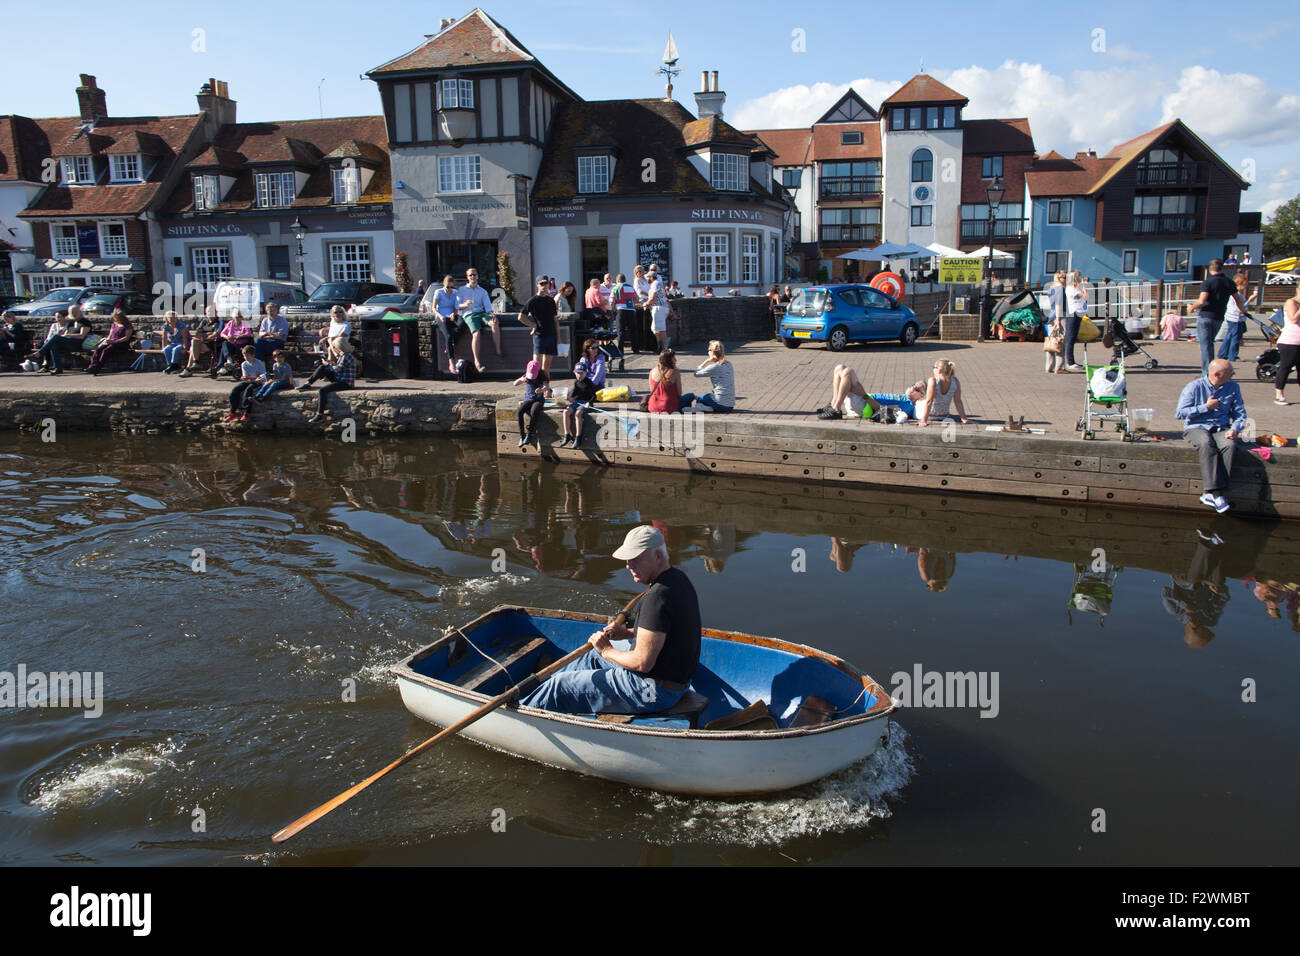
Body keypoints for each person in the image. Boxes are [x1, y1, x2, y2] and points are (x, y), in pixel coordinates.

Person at [521, 525, 701, 716]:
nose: (628, 565)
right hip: (674, 683)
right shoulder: (678, 580)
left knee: (560, 686)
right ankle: (545, 682)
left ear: (657, 556)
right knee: (592, 656)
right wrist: (627, 633)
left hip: (652, 691)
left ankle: (521, 712)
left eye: (635, 559)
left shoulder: (657, 598)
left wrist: (607, 650)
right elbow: (664, 633)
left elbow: (642, 663)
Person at [1175, 358, 1247, 513]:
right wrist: (1205, 407)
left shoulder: (1233, 387)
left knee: (1230, 445)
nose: (1233, 374)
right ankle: (1215, 493)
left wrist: (1235, 428)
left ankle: (1211, 494)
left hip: (1221, 427)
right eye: (1230, 372)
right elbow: (1180, 413)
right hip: (1196, 427)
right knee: (1206, 444)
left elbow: (1240, 414)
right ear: (1217, 374)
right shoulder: (1194, 387)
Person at [1191, 258, 1249, 377]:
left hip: (1205, 316)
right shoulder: (1228, 282)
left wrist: (1192, 307)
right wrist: (1242, 310)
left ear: (1210, 268)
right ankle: (1212, 371)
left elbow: (1202, 301)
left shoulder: (1208, 282)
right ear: (1222, 268)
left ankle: (1207, 374)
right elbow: (1237, 299)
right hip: (1219, 317)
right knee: (1210, 344)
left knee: (1206, 346)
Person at [819, 365, 927, 422]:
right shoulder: (902, 397)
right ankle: (833, 405)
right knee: (840, 368)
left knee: (848, 372)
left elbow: (882, 409)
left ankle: (836, 410)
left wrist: (864, 395)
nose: (913, 388)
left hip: (864, 406)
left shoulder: (907, 406)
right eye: (914, 385)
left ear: (921, 396)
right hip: (862, 400)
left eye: (917, 389)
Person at [298, 335, 356, 423]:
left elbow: (337, 369)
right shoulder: (343, 355)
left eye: (334, 347)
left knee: (322, 390)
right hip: (340, 378)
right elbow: (338, 367)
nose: (334, 349)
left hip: (345, 383)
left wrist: (328, 364)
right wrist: (329, 363)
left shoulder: (346, 356)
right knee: (322, 368)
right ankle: (308, 384)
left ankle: (319, 415)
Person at [456, 267, 501, 372]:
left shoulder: (482, 291)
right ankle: (477, 362)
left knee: (494, 323)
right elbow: (457, 306)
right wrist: (465, 304)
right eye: (470, 275)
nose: (473, 277)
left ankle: (498, 350)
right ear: (467, 277)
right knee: (476, 333)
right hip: (469, 314)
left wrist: (492, 315)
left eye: (474, 275)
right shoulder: (462, 290)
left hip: (481, 313)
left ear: (477, 276)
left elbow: (488, 307)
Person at [680, 340, 735, 413]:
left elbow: (696, 373)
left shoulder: (714, 367)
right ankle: (707, 408)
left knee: (700, 398)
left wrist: (707, 361)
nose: (708, 352)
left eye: (709, 350)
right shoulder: (729, 364)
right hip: (730, 406)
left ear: (712, 352)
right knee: (707, 396)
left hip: (720, 404)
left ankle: (702, 409)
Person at [519, 275, 559, 373]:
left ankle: (546, 386)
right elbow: (521, 316)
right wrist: (533, 325)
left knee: (547, 365)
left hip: (551, 335)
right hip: (539, 335)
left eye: (546, 284)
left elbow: (555, 320)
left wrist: (559, 337)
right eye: (542, 284)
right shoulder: (533, 300)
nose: (544, 286)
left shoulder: (551, 300)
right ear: (537, 285)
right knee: (536, 365)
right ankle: (535, 387)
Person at [558, 357, 598, 447]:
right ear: (574, 372)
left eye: (581, 373)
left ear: (585, 373)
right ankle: (567, 435)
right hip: (578, 402)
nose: (579, 375)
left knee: (578, 413)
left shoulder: (589, 382)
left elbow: (594, 395)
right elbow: (575, 394)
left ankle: (578, 437)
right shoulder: (576, 382)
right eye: (577, 373)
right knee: (566, 412)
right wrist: (570, 399)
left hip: (586, 403)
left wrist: (589, 402)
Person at [428, 274, 463, 374]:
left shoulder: (455, 293)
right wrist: (440, 316)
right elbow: (434, 308)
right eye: (447, 287)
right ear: (444, 285)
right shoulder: (438, 292)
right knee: (448, 335)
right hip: (441, 315)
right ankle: (451, 362)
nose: (449, 289)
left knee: (462, 324)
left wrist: (454, 313)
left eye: (451, 287)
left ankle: (451, 344)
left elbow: (456, 307)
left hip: (451, 315)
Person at [1217, 272, 1256, 362]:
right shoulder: (1237, 294)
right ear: (1240, 284)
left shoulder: (1232, 293)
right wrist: (1250, 300)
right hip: (1236, 319)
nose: (1246, 286)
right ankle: (1233, 355)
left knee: (1229, 335)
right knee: (1235, 337)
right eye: (1245, 284)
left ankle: (1222, 354)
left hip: (1231, 317)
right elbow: (1241, 307)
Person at [917, 359, 969, 426]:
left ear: (939, 370)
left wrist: (923, 420)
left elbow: (929, 401)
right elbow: (958, 401)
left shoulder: (933, 380)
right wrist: (964, 418)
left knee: (915, 402)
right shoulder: (955, 381)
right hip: (944, 416)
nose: (933, 369)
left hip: (929, 415)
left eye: (934, 367)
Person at [223, 345, 266, 422]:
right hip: (250, 380)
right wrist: (252, 378)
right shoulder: (244, 364)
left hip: (259, 382)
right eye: (244, 356)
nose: (246, 358)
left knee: (248, 390)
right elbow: (246, 377)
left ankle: (247, 412)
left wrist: (251, 378)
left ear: (253, 355)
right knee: (235, 390)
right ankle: (233, 412)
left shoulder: (259, 363)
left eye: (248, 356)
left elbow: (262, 377)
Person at [513, 359, 550, 447]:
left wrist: (541, 390)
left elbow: (546, 386)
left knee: (534, 412)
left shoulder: (542, 375)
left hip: (538, 400)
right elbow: (515, 384)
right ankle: (522, 436)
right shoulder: (526, 375)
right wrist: (521, 379)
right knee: (519, 412)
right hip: (528, 399)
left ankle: (530, 433)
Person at [84, 309, 134, 375]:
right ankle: (93, 366)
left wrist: (115, 341)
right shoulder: (114, 324)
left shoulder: (127, 325)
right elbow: (110, 335)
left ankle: (98, 367)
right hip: (111, 341)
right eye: (115, 318)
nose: (116, 320)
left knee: (106, 350)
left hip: (121, 343)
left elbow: (126, 338)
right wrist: (106, 340)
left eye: (117, 318)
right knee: (99, 349)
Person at [1273, 286, 1300, 406]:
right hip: (1290, 341)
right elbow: (1293, 319)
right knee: (1286, 367)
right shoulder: (1291, 302)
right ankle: (1279, 395)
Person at [178, 305, 221, 377]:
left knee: (193, 348)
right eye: (208, 312)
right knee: (193, 344)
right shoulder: (204, 321)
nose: (210, 313)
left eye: (212, 312)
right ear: (206, 313)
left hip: (213, 344)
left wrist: (204, 336)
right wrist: (207, 334)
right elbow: (197, 333)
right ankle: (194, 363)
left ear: (216, 313)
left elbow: (216, 334)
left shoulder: (219, 321)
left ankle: (189, 368)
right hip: (202, 343)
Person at [214, 308, 255, 376]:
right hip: (232, 344)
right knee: (225, 344)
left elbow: (248, 333)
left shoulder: (245, 323)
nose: (239, 318)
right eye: (237, 316)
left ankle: (223, 367)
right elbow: (222, 333)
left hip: (242, 344)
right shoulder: (230, 323)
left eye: (240, 316)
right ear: (233, 317)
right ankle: (229, 362)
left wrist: (236, 337)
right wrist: (227, 337)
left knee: (223, 349)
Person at [608, 273, 637, 354]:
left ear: (617, 280)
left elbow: (611, 302)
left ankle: (620, 350)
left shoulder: (615, 288)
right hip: (631, 310)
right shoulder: (630, 287)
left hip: (620, 310)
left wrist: (613, 310)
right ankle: (635, 349)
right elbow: (636, 299)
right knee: (633, 330)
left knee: (620, 331)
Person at [647, 348, 681, 414]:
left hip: (653, 406)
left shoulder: (652, 371)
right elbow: (679, 393)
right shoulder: (675, 372)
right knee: (690, 396)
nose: (676, 360)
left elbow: (652, 390)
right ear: (669, 361)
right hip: (669, 406)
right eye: (674, 359)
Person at [646, 265, 671, 353]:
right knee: (654, 329)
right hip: (658, 308)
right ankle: (660, 345)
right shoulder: (655, 283)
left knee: (661, 329)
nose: (647, 279)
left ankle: (664, 348)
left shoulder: (655, 283)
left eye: (648, 277)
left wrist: (646, 303)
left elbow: (653, 297)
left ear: (652, 277)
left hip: (659, 308)